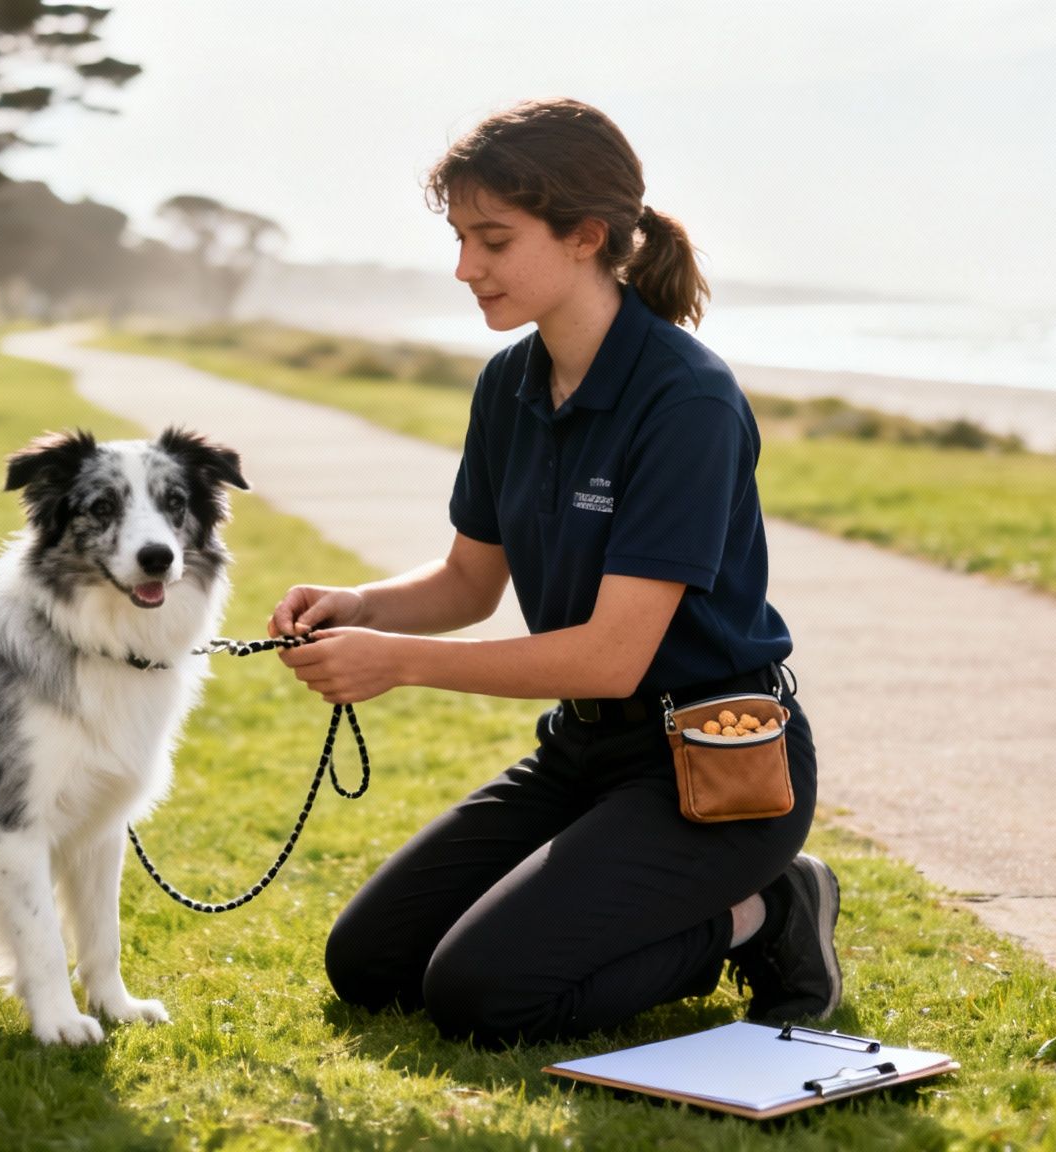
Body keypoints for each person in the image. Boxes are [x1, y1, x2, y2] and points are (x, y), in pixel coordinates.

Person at [266, 98, 839, 1047]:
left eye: (493, 239)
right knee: (368, 966)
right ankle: (726, 907)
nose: (465, 268)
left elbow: (614, 657)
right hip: (581, 752)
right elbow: (465, 582)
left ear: (586, 236)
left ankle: (764, 912)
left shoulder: (686, 400)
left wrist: (398, 662)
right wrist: (357, 607)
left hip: (711, 767)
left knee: (485, 996)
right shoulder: (511, 382)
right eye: (459, 238)